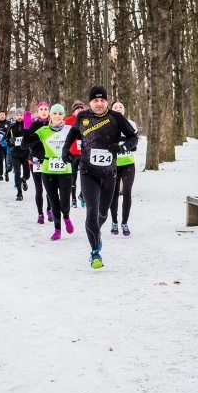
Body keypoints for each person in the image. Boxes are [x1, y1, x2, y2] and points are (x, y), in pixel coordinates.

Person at [63, 86, 138, 269]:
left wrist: (122, 147)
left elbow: (133, 137)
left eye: (102, 100)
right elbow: (73, 133)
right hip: (88, 172)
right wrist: (65, 149)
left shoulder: (116, 117)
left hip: (109, 174)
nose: (99, 104)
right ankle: (95, 252)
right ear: (90, 102)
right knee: (91, 212)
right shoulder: (82, 117)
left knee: (102, 214)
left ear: (106, 101)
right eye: (95, 100)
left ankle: (96, 232)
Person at [23, 103, 74, 240]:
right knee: (53, 201)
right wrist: (26, 127)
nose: (57, 116)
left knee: (64, 202)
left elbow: (82, 142)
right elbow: (25, 144)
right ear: (51, 115)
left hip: (65, 171)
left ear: (63, 115)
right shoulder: (43, 131)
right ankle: (57, 230)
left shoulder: (69, 129)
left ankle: (66, 217)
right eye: (55, 113)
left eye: (60, 113)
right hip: (48, 170)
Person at [108, 100, 139, 236]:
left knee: (127, 192)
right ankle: (114, 222)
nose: (118, 108)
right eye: (115, 107)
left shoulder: (130, 124)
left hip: (128, 163)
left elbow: (134, 142)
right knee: (113, 193)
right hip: (113, 164)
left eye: (121, 106)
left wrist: (124, 145)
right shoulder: (107, 124)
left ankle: (124, 222)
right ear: (111, 110)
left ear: (124, 110)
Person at [21, 101, 53, 224]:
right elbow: (24, 145)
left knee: (50, 188)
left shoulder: (53, 124)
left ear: (49, 111)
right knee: (39, 188)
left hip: (49, 159)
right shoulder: (33, 125)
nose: (44, 111)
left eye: (46, 109)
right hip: (35, 160)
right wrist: (26, 128)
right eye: (41, 109)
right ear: (37, 112)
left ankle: (49, 209)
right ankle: (40, 213)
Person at [64, 100, 86, 208]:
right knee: (73, 177)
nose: (80, 110)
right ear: (73, 111)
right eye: (77, 109)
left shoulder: (87, 120)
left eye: (81, 108)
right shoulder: (68, 120)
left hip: (84, 153)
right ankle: (73, 198)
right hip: (72, 153)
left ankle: (82, 196)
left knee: (84, 176)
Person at [6, 108, 31, 201]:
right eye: (17, 115)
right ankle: (19, 193)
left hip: (26, 154)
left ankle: (23, 180)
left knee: (27, 174)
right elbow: (6, 138)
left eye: (21, 115)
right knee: (17, 173)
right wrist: (10, 140)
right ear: (15, 116)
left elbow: (32, 136)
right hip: (15, 153)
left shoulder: (27, 125)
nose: (19, 117)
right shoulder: (11, 126)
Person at [0, 111, 12, 181]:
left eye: (3, 115)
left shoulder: (9, 123)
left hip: (7, 145)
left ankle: (7, 173)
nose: (2, 116)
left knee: (7, 160)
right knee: (0, 160)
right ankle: (0, 175)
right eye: (0, 115)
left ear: (5, 115)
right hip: (0, 145)